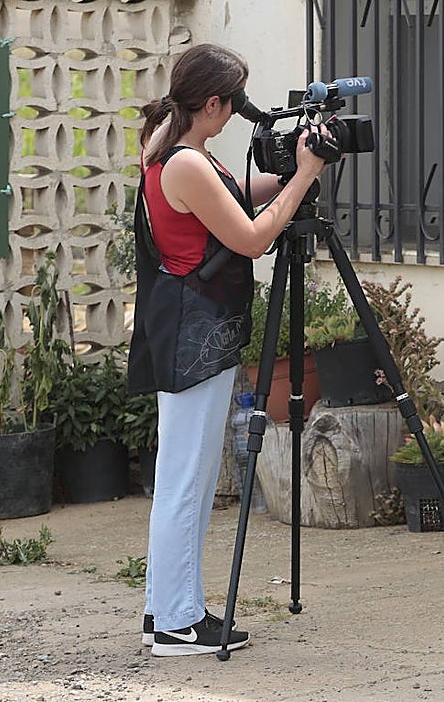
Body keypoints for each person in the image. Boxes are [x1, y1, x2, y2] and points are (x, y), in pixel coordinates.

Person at [127, 43, 330, 657]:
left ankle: (167, 609)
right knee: (187, 480)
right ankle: (176, 624)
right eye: (231, 102)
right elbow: (249, 238)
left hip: (189, 327)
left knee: (180, 475)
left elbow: (233, 187)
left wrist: (289, 165)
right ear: (210, 103)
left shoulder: (172, 144)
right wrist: (304, 179)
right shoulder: (185, 162)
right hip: (196, 332)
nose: (236, 112)